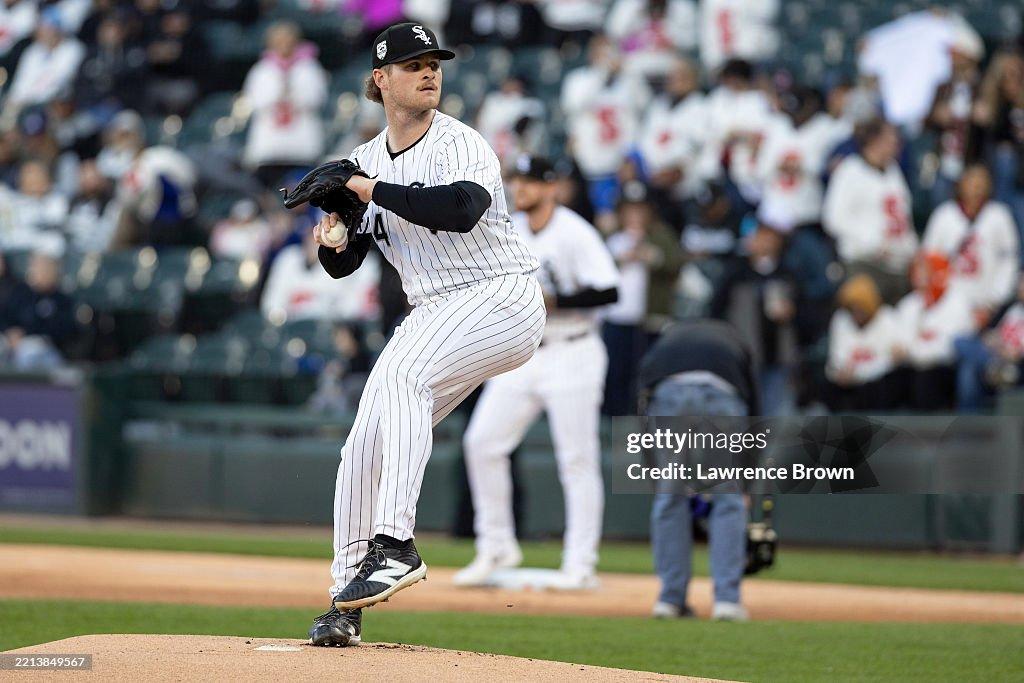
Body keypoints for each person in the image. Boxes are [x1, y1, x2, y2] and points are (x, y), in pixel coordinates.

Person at [305, 23, 544, 647]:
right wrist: (333, 236)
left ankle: (394, 544)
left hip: (499, 296)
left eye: (434, 62)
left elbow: (459, 211)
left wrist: (363, 189)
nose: (429, 72)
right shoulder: (365, 161)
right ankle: (343, 603)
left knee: (406, 376)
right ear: (381, 80)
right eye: (412, 65)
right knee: (365, 442)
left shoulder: (463, 143)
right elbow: (347, 260)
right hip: (435, 310)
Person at [456, 155, 619, 589]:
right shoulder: (510, 229)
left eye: (529, 181)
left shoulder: (575, 231)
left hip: (573, 350)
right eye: (516, 180)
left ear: (552, 188)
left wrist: (557, 302)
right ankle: (496, 545)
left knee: (576, 460)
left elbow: (609, 291)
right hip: (523, 351)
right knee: (482, 442)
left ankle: (580, 564)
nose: (520, 188)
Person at [638, 318, 757, 621]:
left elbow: (640, 398)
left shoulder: (665, 340)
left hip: (669, 392)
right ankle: (727, 602)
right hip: (721, 391)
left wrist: (655, 473)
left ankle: (669, 599)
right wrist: (747, 484)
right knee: (727, 497)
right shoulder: (734, 338)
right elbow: (756, 410)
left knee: (669, 495)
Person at [823, 118, 918, 304]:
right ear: (874, 141)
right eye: (891, 138)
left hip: (899, 265)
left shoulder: (893, 170)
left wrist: (911, 248)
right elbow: (833, 217)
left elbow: (903, 214)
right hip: (865, 264)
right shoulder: (850, 170)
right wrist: (871, 241)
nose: (896, 143)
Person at [922, 164, 1019, 325]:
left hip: (986, 305)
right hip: (946, 303)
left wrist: (992, 302)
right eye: (973, 182)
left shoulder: (999, 216)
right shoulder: (944, 215)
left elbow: (1009, 262)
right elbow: (928, 261)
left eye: (982, 183)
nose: (977, 188)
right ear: (961, 184)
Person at [242, 22, 328, 187]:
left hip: (301, 145)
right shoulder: (262, 70)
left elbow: (316, 99)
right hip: (270, 146)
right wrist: (277, 92)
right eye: (279, 42)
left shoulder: (309, 67)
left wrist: (293, 92)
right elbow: (254, 101)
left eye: (288, 41)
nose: (284, 46)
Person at [824, 274, 901, 411]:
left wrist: (859, 374)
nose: (857, 312)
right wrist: (842, 372)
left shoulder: (887, 317)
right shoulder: (841, 319)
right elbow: (836, 356)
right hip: (848, 379)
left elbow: (889, 361)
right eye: (852, 308)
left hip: (876, 380)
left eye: (861, 308)